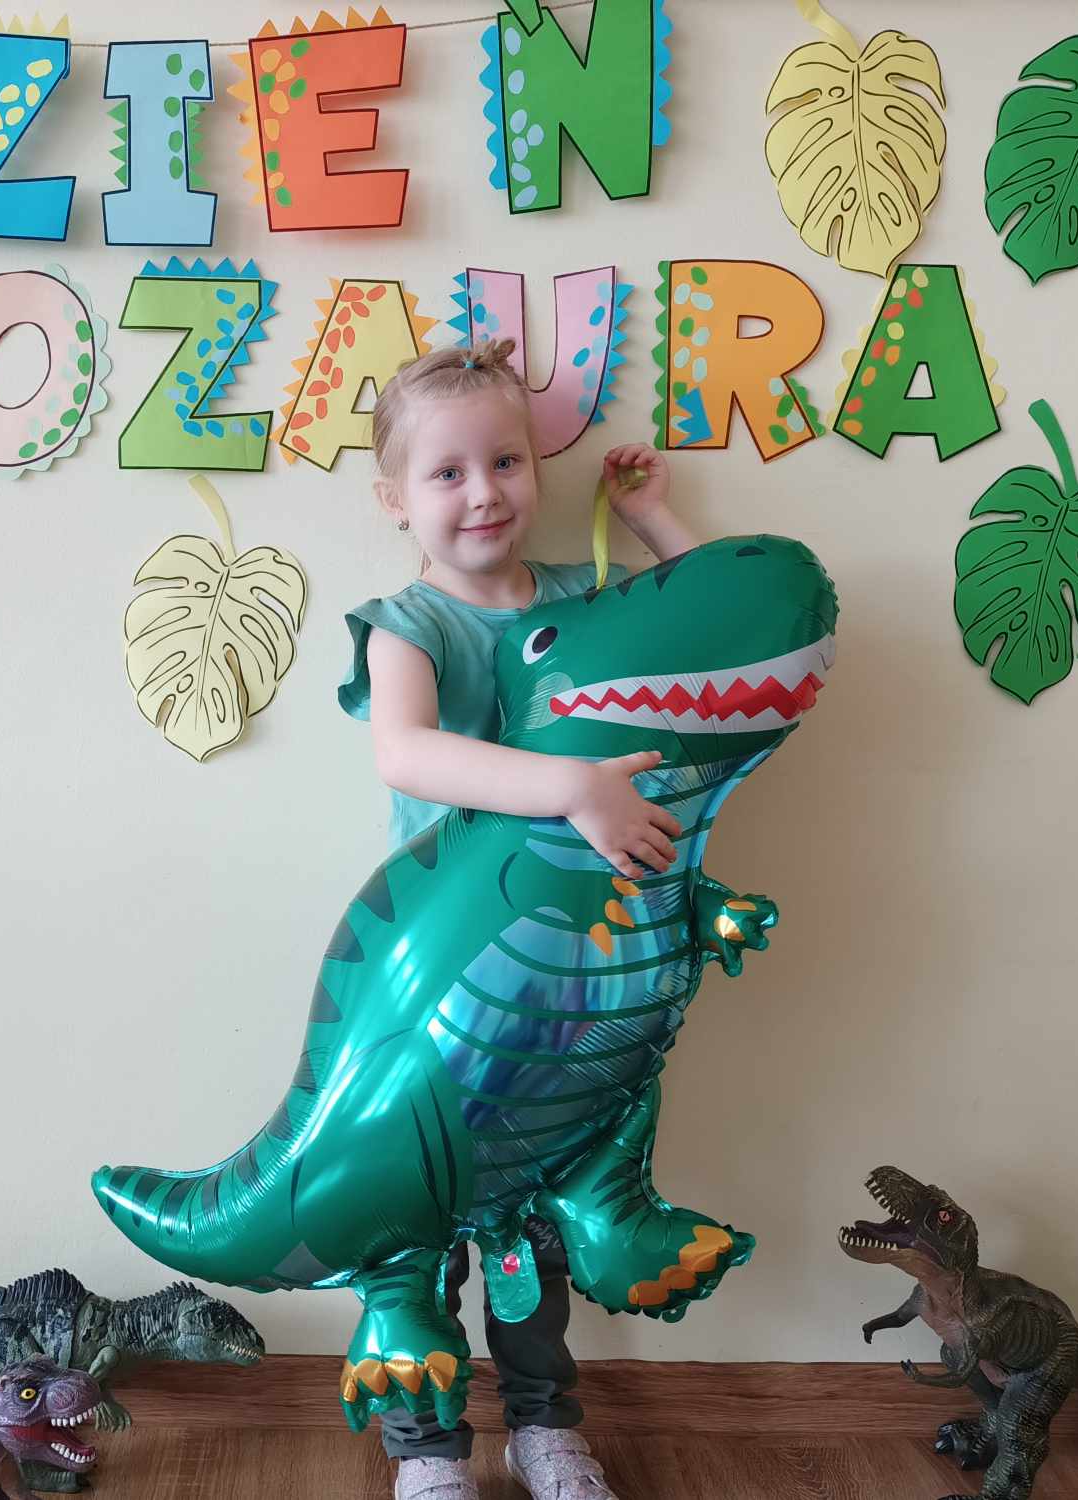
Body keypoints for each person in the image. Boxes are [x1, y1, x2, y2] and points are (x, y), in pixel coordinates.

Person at [336, 339, 704, 1500]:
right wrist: (571, 786)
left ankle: (544, 1424)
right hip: (437, 982)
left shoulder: (577, 606)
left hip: (567, 976)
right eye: (445, 473)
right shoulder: (405, 625)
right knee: (413, 1218)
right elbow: (407, 751)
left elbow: (710, 629)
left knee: (539, 1213)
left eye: (503, 461)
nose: (482, 492)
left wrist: (651, 520)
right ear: (395, 499)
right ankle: (426, 1446)